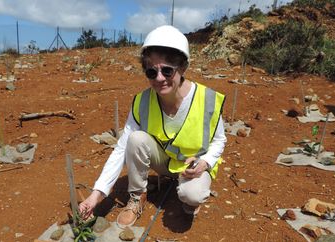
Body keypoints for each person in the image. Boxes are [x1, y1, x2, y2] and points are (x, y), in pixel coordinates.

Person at [79, 25, 227, 228]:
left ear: (182, 68)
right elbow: (122, 147)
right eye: (151, 71)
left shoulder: (206, 99)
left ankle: (189, 196)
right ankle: (137, 197)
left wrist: (206, 162)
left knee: (192, 195)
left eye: (167, 70)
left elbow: (219, 139)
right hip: (164, 162)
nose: (159, 78)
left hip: (193, 166)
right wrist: (96, 196)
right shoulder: (142, 101)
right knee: (135, 138)